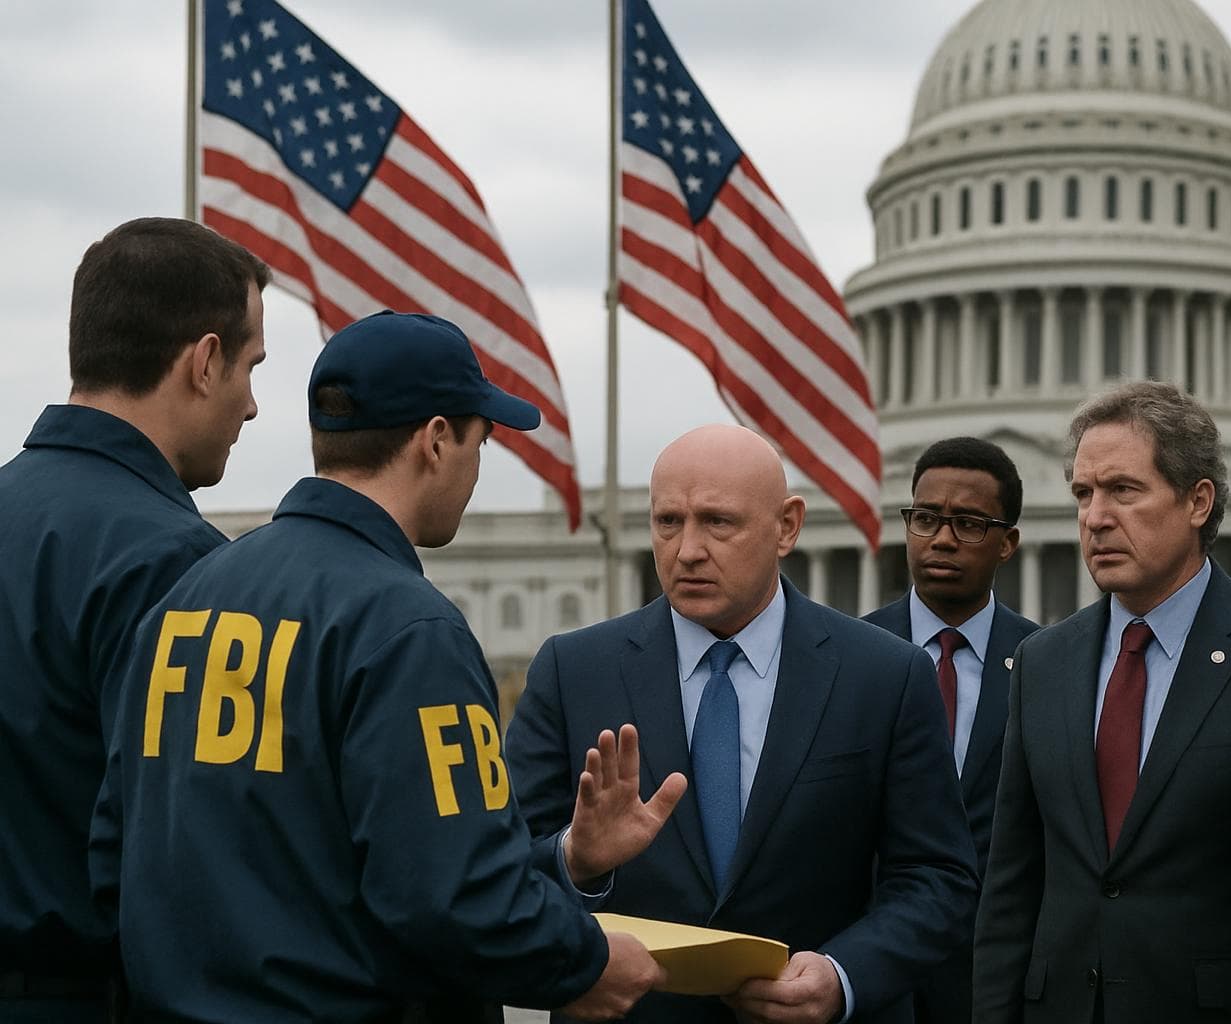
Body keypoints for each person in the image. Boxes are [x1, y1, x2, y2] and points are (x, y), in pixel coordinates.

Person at [93, 312, 672, 1022]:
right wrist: (585, 962)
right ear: (434, 441)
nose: (475, 467)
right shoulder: (408, 629)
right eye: (479, 441)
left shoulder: (185, 599)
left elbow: (114, 844)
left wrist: (566, 861)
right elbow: (453, 895)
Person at [506, 423, 978, 1024]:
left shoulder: (886, 675)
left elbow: (939, 879)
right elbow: (503, 866)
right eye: (668, 521)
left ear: (787, 526)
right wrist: (577, 859)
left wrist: (842, 976)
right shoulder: (572, 671)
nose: (687, 550)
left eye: (718, 522)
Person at [972, 381, 1231, 1024]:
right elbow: (1012, 882)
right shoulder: (1043, 663)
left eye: (1123, 491)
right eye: (1083, 493)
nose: (1095, 517)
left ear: (1197, 501)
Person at [0, 217, 268, 1023]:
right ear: (205, 359)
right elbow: (195, 854)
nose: (253, 406)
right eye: (251, 367)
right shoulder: (177, 562)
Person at [862, 436, 1039, 1024]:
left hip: (992, 980)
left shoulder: (1047, 665)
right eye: (926, 519)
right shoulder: (844, 656)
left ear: (1007, 542)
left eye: (967, 523)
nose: (941, 539)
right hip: (863, 973)